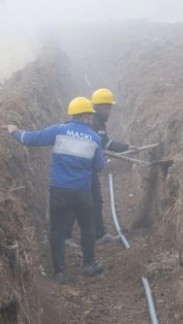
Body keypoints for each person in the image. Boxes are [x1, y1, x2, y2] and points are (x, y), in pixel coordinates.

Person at [7, 97, 105, 284]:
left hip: (58, 190)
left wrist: (14, 131)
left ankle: (59, 272)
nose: (92, 119)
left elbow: (31, 138)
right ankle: (89, 264)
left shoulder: (59, 131)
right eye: (90, 116)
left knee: (57, 230)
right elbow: (99, 167)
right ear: (85, 116)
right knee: (87, 226)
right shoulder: (94, 138)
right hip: (82, 192)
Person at [64, 88, 134, 246]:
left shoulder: (97, 120)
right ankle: (67, 236)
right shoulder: (95, 120)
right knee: (82, 199)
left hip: (84, 165)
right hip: (82, 166)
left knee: (94, 199)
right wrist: (125, 148)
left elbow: (105, 143)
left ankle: (97, 234)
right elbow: (103, 144)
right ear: (101, 107)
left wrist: (127, 147)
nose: (110, 111)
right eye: (108, 108)